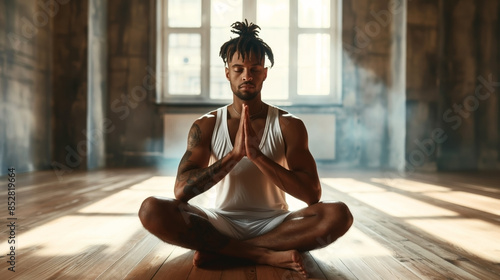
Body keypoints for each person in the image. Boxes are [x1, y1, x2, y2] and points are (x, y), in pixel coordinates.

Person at [139, 20, 353, 277]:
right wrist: (234, 155)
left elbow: (311, 195)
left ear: (265, 73)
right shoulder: (206, 125)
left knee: (338, 214)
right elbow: (181, 191)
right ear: (227, 72)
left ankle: (227, 252)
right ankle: (261, 254)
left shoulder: (289, 125)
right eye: (238, 69)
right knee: (152, 209)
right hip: (218, 221)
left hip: (277, 224)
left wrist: (258, 156)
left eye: (254, 69)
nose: (247, 76)